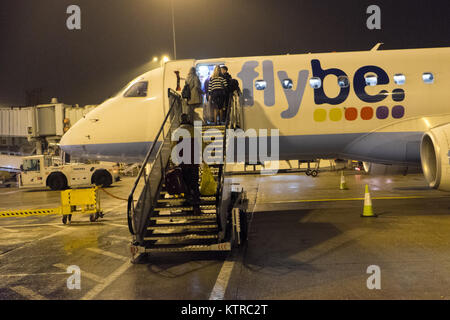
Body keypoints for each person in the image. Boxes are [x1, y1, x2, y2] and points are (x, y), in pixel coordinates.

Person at [170, 113, 201, 215]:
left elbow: (173, 148)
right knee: (194, 183)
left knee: (185, 183)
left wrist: (173, 162)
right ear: (188, 120)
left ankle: (188, 203)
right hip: (194, 162)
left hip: (183, 163)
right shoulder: (195, 131)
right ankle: (196, 206)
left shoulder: (176, 132)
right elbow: (202, 145)